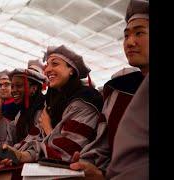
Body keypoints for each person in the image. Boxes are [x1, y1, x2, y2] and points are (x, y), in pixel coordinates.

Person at [76, 0, 149, 171]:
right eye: (126, 35)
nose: (130, 42)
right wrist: (87, 163)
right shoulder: (120, 89)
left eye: (139, 33)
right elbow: (103, 146)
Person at [0, 45, 104, 165]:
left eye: (55, 64)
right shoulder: (52, 101)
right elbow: (34, 137)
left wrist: (48, 130)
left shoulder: (84, 102)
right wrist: (13, 153)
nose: (47, 70)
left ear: (71, 70)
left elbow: (67, 151)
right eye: (47, 65)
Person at [0, 60, 47, 147]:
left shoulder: (44, 111)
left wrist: (11, 152)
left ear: (34, 88)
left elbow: (34, 145)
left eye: (19, 86)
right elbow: (6, 139)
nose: (13, 90)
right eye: (12, 86)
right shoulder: (21, 114)